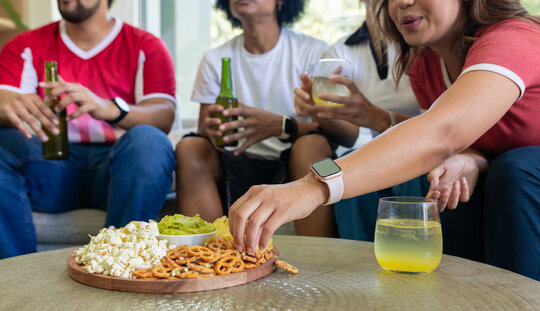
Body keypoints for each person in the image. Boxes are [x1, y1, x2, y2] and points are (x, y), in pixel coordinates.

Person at [229, 0, 540, 280]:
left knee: (514, 170)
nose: (401, 3)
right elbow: (463, 132)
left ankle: (522, 310)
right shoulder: (425, 62)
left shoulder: (511, 39)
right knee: (432, 179)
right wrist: (472, 157)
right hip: (499, 167)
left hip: (520, 173)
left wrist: (315, 185)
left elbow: (444, 133)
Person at [0, 0, 177, 258]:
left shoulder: (145, 45)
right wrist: (7, 105)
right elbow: (5, 96)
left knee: (149, 141)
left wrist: (111, 109)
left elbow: (163, 115)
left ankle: (118, 266)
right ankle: (13, 279)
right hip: (49, 168)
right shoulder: (25, 44)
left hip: (117, 170)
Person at [175, 0, 327, 222]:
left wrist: (282, 125)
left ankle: (317, 253)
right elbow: (206, 135)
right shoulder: (215, 58)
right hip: (234, 164)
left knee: (313, 145)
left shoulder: (313, 51)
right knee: (191, 147)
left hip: (294, 162)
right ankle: (205, 251)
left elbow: (329, 132)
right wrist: (215, 132)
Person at [289, 0, 421, 238]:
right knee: (344, 165)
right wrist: (320, 109)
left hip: (418, 144)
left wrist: (376, 117)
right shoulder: (339, 52)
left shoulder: (421, 39)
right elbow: (349, 136)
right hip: (364, 150)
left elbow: (441, 122)